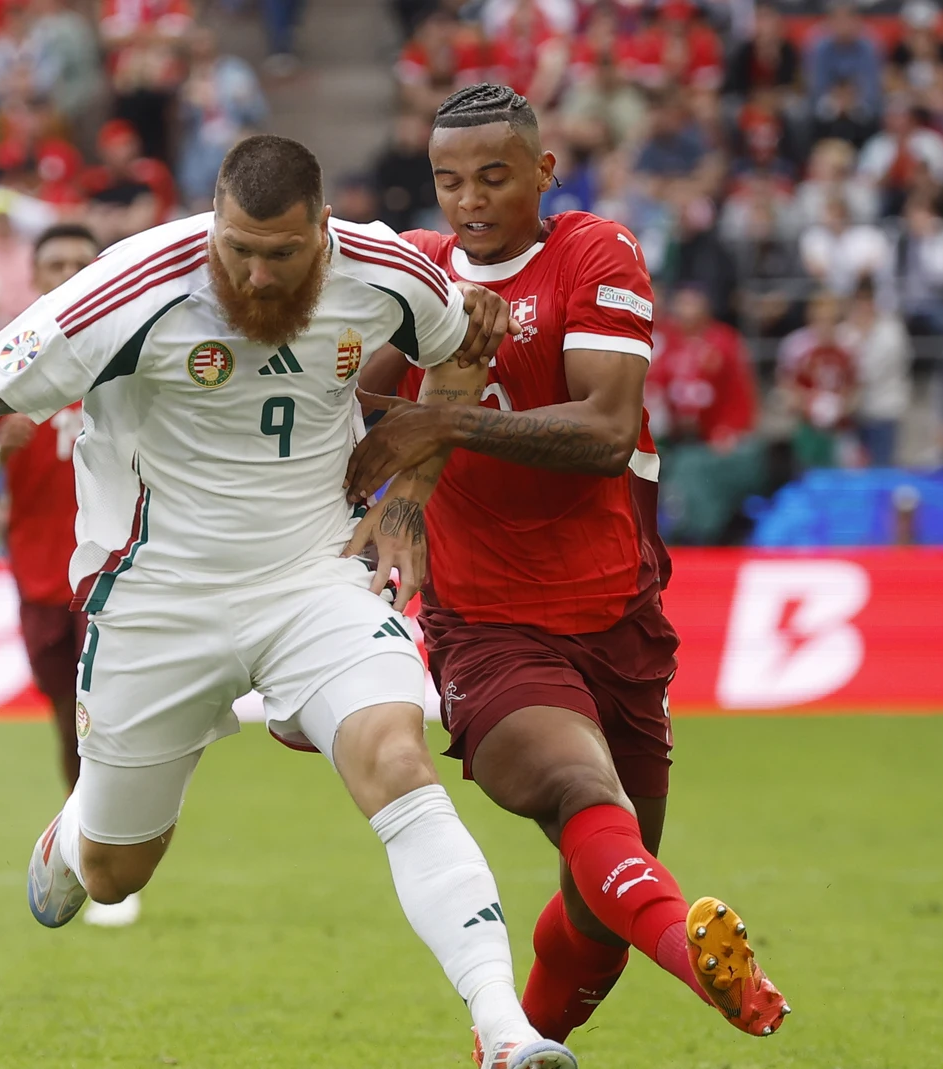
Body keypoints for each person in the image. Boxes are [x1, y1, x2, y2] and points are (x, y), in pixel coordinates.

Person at [0, 134, 578, 1069]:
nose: (256, 276)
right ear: (213, 223)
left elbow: (462, 343)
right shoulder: (131, 287)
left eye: (281, 254)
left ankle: (506, 1030)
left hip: (315, 580)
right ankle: (76, 835)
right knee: (114, 871)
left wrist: (409, 498)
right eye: (237, 248)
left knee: (396, 757)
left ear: (324, 234)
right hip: (157, 601)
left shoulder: (383, 269)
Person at [347, 84, 791, 1050]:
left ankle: (513, 1044)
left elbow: (603, 429)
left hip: (618, 617)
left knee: (600, 920)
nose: (469, 201)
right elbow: (355, 421)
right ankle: (701, 956)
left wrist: (449, 417)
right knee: (589, 799)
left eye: (494, 177)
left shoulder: (594, 252)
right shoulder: (418, 278)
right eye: (449, 181)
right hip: (488, 624)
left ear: (544, 172)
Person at [0, 224, 140, 925]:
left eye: (79, 263)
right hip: (37, 574)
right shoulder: (6, 365)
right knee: (68, 725)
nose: (66, 274)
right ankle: (88, 851)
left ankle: (111, 862)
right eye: (53, 264)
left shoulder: (134, 353)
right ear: (34, 274)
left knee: (107, 720)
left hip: (117, 569)